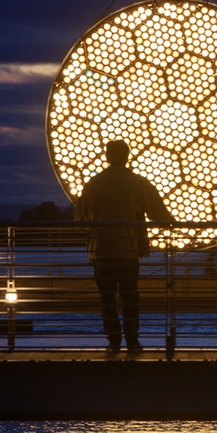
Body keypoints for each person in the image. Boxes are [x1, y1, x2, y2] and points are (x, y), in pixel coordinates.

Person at [75, 140, 173, 354]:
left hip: (100, 249)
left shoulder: (93, 183)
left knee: (107, 297)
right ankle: (132, 340)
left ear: (107, 156)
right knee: (130, 295)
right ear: (128, 156)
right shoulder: (138, 183)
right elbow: (160, 214)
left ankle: (113, 340)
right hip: (128, 250)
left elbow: (80, 216)